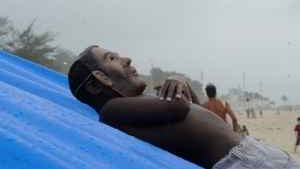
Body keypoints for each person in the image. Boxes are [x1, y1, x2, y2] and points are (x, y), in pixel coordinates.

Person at [68, 45, 300, 169]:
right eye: (112, 59)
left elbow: (199, 113)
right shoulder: (112, 110)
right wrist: (177, 81)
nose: (127, 59)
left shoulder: (140, 103)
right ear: (99, 80)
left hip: (252, 153)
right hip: (242, 162)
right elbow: (178, 109)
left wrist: (183, 86)